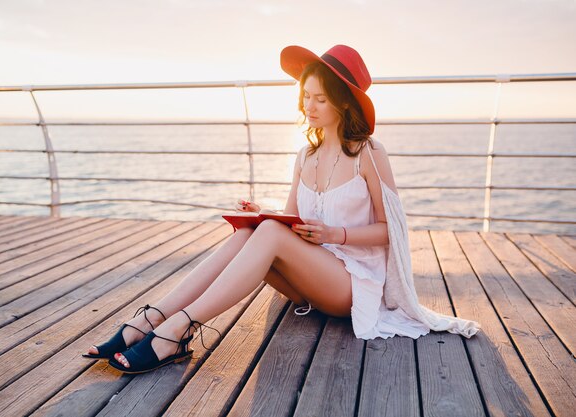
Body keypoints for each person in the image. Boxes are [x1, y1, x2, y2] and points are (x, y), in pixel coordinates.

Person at [83, 44, 480, 374]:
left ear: (344, 103)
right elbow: (291, 221)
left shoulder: (369, 154)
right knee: (250, 231)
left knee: (267, 233)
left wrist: (333, 235)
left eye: (321, 98)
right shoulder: (304, 155)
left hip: (353, 286)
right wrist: (263, 213)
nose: (310, 105)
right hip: (311, 277)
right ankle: (151, 319)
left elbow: (391, 230)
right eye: (306, 96)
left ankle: (176, 329)